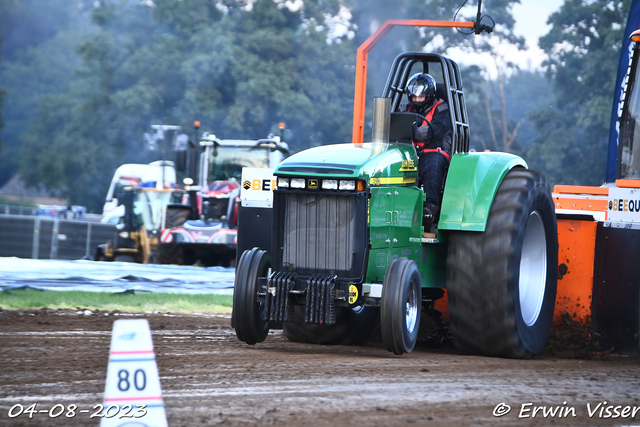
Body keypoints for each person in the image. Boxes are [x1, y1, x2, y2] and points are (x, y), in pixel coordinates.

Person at [401, 73, 452, 230]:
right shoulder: (404, 110)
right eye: (414, 96)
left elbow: (434, 130)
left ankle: (431, 207)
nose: (416, 100)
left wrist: (409, 130)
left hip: (434, 149)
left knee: (432, 163)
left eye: (421, 96)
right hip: (410, 151)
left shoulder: (442, 109)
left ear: (429, 94)